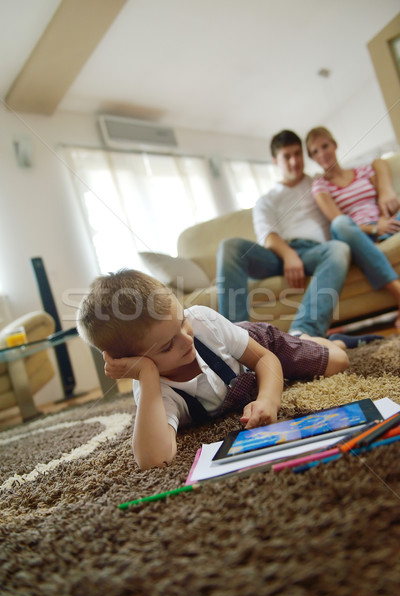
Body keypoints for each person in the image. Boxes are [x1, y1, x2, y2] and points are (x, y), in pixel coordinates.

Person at [77, 269, 350, 470]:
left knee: (339, 361)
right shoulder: (154, 390)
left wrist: (268, 400)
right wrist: (147, 376)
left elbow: (265, 359)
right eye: (166, 347)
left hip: (257, 344)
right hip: (234, 369)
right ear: (133, 362)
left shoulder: (203, 322)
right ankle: (302, 336)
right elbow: (153, 460)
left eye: (182, 322)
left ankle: (304, 336)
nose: (186, 340)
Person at [217, 129, 352, 338]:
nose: (294, 161)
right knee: (230, 246)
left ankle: (303, 332)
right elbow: (267, 236)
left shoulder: (319, 183)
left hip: (315, 251)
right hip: (277, 257)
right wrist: (289, 255)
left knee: (339, 249)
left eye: (297, 154)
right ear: (275, 161)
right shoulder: (266, 200)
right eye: (286, 156)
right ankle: (237, 339)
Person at [305, 126, 400, 329]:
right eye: (315, 151)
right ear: (312, 157)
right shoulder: (320, 186)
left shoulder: (361, 171)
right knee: (340, 224)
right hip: (355, 234)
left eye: (325, 146)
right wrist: (373, 229)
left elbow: (381, 195)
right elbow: (337, 219)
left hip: (383, 223)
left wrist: (383, 219)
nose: (322, 153)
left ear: (334, 144)